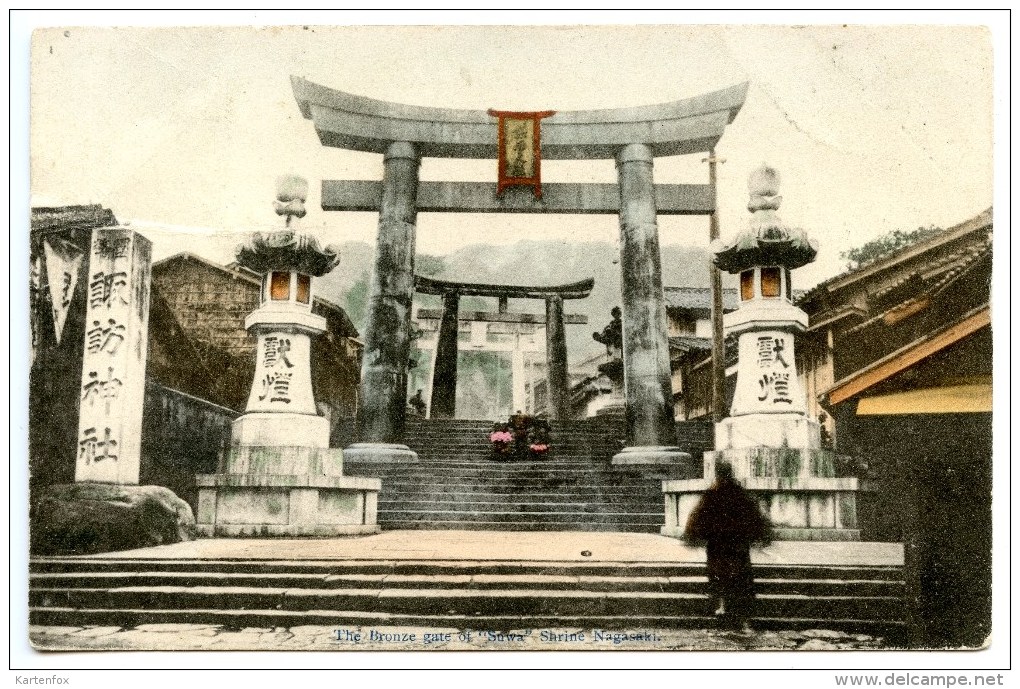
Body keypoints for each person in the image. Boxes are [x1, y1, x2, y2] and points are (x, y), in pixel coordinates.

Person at [685, 461, 772, 631]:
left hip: (718, 543)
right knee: (739, 575)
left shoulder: (712, 493)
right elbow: (754, 515)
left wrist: (692, 535)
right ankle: (741, 613)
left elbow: (699, 515)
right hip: (736, 542)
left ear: (718, 474)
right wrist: (761, 534)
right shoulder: (739, 493)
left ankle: (722, 605)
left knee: (719, 575)